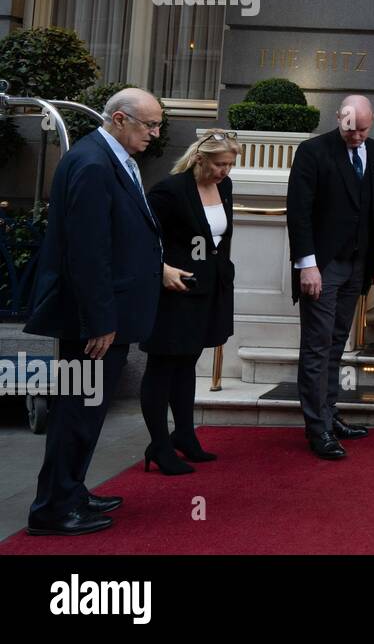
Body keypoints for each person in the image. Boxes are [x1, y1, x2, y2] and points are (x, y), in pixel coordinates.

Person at [24, 88, 165, 535]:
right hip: (95, 322)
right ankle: (53, 509)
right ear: (120, 119)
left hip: (106, 315)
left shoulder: (107, 157)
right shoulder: (91, 163)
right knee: (76, 413)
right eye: (149, 125)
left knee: (84, 411)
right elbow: (87, 253)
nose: (156, 134)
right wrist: (100, 320)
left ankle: (71, 491)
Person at [286, 96, 374, 459]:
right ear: (338, 119)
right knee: (316, 344)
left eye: (363, 129)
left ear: (372, 121)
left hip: (360, 264)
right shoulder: (313, 151)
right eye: (351, 129)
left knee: (337, 342)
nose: (357, 136)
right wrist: (307, 265)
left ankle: (329, 414)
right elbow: (298, 211)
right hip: (324, 265)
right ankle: (317, 428)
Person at [139, 128, 239, 475]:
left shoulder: (224, 186)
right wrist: (161, 269)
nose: (224, 171)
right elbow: (143, 236)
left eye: (229, 164)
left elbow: (219, 238)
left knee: (187, 363)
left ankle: (184, 435)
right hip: (174, 290)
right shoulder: (170, 190)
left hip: (209, 288)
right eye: (219, 164)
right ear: (200, 159)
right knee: (162, 366)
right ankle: (159, 445)